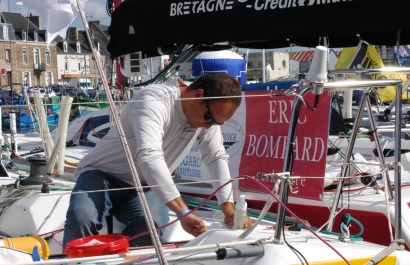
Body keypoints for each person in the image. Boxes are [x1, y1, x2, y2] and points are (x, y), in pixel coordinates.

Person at [63, 73, 253, 247]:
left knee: (150, 227)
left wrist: (229, 209)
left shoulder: (205, 119)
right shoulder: (154, 100)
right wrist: (183, 212)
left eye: (216, 123)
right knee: (81, 216)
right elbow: (149, 156)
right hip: (103, 173)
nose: (209, 126)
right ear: (198, 95)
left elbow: (215, 157)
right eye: (209, 118)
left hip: (147, 184)